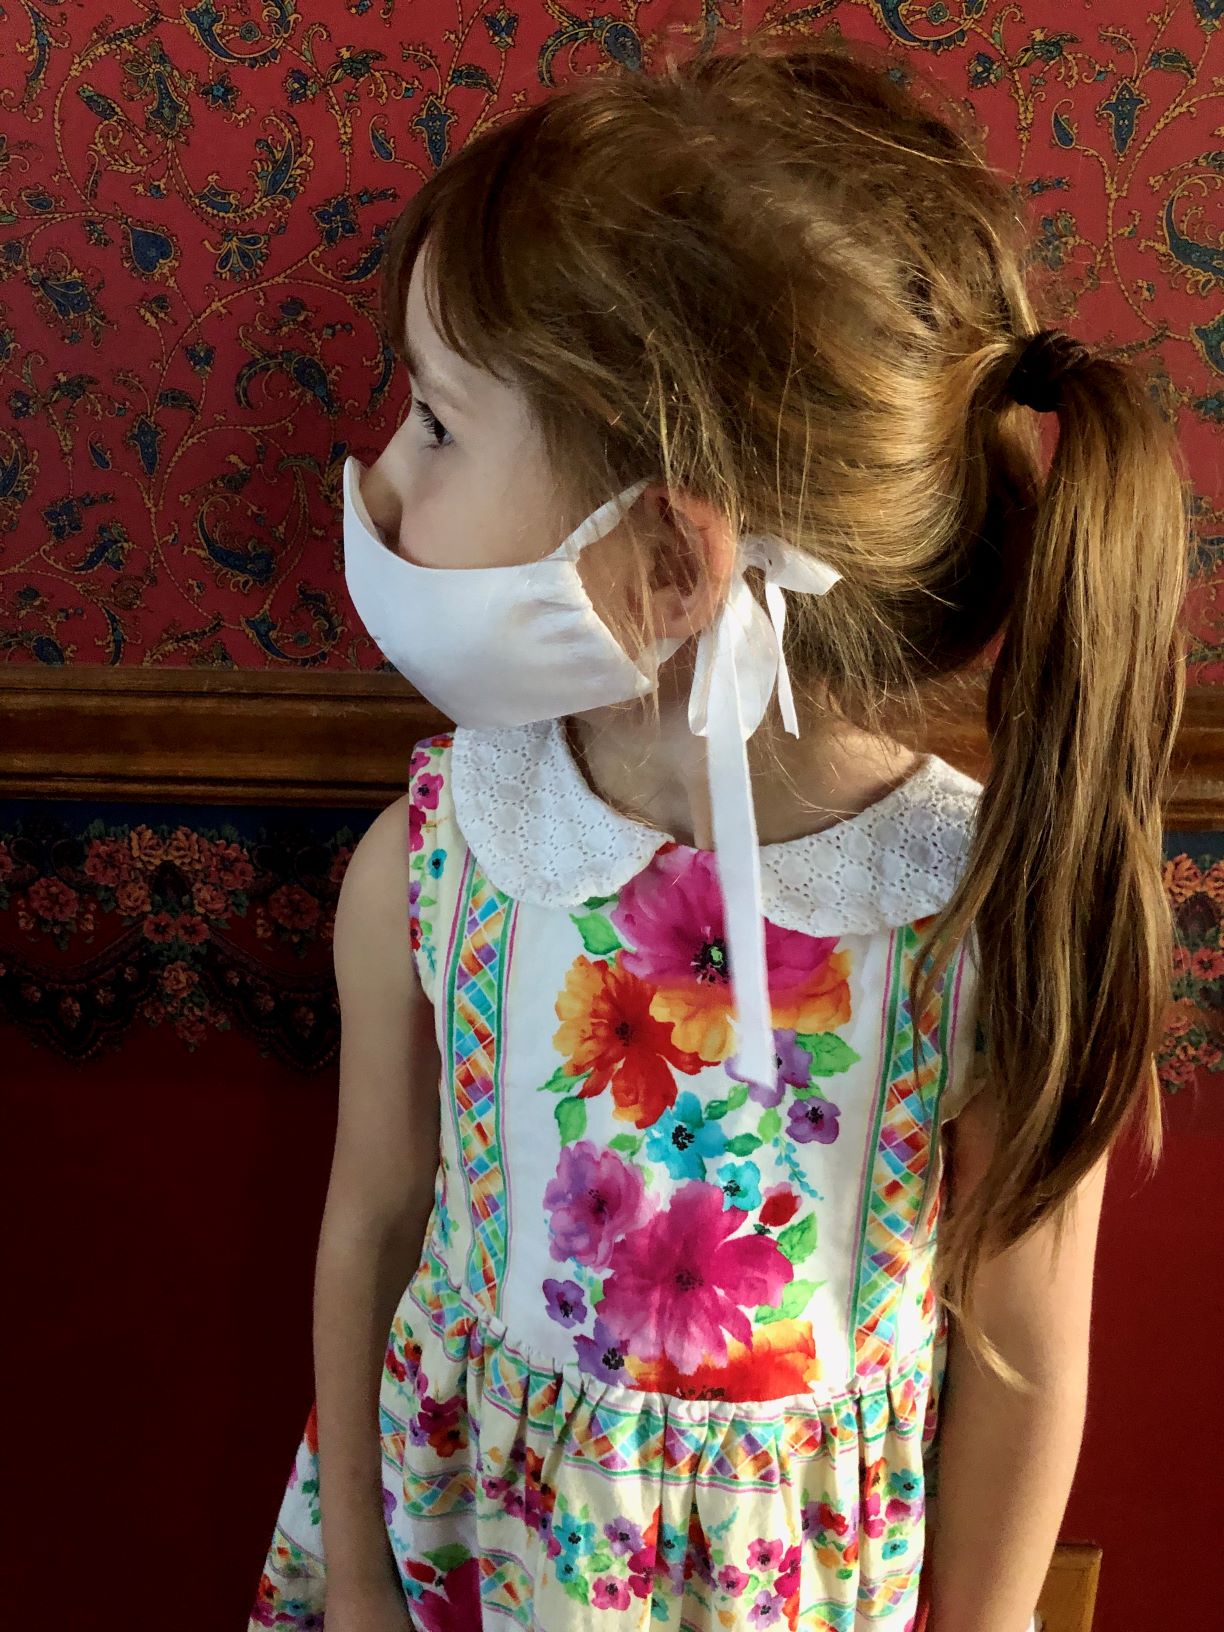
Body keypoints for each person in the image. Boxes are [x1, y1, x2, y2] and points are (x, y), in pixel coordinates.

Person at [247, 33, 1187, 1632]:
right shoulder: (440, 866)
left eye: (442, 425)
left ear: (675, 565)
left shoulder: (985, 928)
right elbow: (374, 1222)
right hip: (466, 1564)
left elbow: (1027, 1353)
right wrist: (353, 1587)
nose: (382, 483)